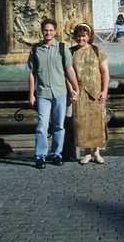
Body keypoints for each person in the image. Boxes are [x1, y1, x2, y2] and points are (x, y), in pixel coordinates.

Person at [28, 18, 80, 169]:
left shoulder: (62, 49)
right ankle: (40, 155)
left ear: (55, 32)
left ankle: (57, 154)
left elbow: (69, 70)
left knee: (59, 125)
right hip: (43, 93)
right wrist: (31, 94)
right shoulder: (35, 50)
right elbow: (32, 73)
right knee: (41, 124)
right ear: (42, 32)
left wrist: (75, 89)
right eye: (46, 30)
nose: (48, 33)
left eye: (51, 30)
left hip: (60, 92)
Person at [70, 23, 110, 165]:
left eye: (84, 36)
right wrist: (72, 90)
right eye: (79, 36)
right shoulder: (71, 52)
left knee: (97, 121)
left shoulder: (97, 50)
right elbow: (67, 74)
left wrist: (104, 90)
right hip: (79, 92)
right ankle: (87, 152)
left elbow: (105, 72)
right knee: (82, 122)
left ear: (89, 37)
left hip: (96, 91)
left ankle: (96, 152)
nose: (81, 39)